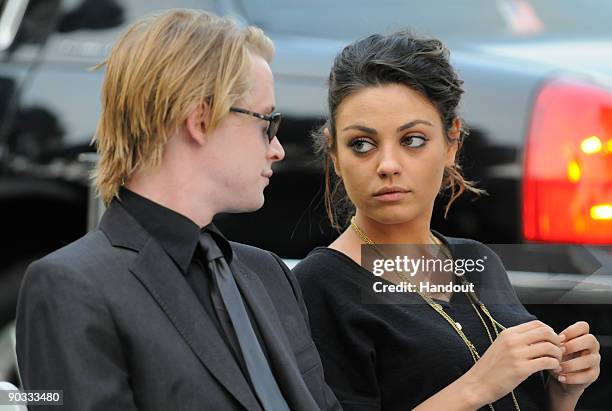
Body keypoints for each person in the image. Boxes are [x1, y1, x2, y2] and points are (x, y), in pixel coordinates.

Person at [16, 9, 340, 411]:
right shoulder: (70, 286)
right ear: (200, 119)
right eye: (267, 123)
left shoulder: (269, 275)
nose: (276, 149)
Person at [293, 31, 601, 411]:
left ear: (451, 142)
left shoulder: (477, 261)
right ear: (335, 154)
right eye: (361, 144)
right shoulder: (318, 286)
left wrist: (561, 393)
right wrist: (478, 385)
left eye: (413, 140)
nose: (388, 165)